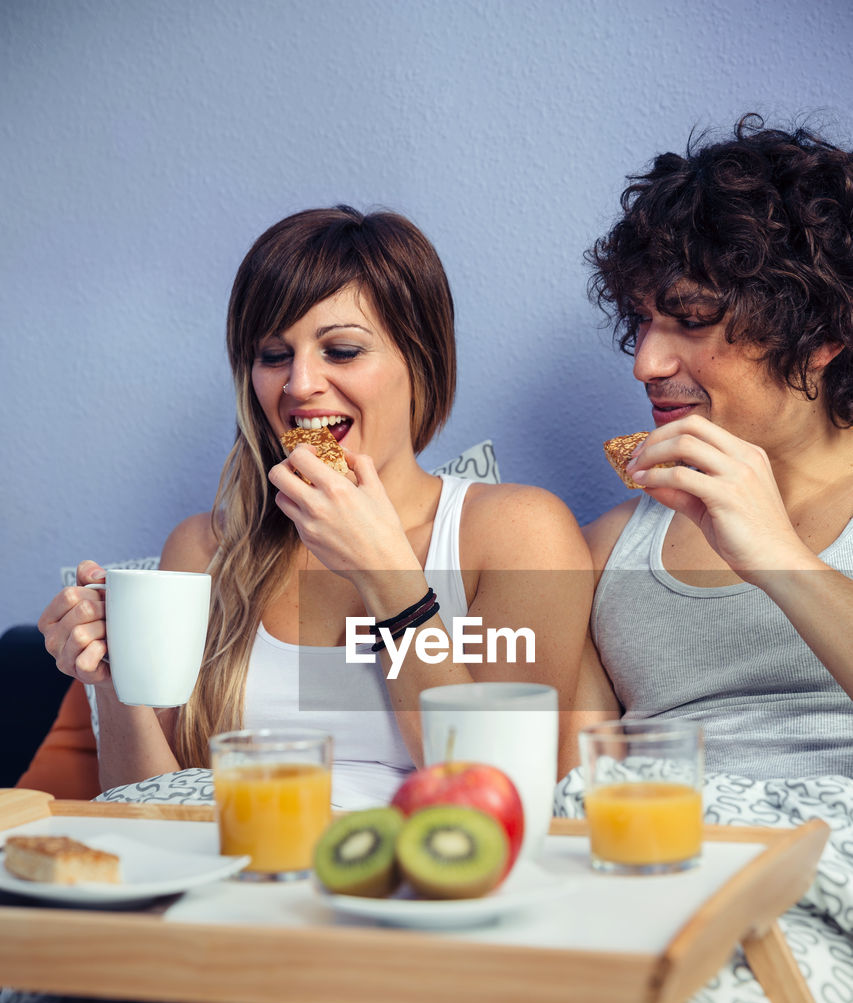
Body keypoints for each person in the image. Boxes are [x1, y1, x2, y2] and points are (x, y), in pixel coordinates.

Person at [39, 205, 592, 804]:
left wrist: (386, 575)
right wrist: (112, 676)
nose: (299, 384)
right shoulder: (203, 549)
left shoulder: (516, 532)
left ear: (422, 361)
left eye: (343, 350)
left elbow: (494, 792)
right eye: (274, 356)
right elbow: (144, 806)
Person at [572, 114, 853, 778]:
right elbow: (579, 789)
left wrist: (776, 556)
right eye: (641, 319)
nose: (644, 363)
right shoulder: (603, 551)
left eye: (691, 321)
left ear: (818, 337)